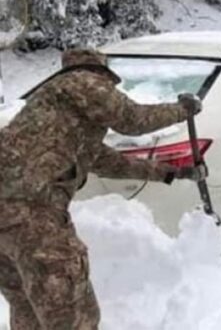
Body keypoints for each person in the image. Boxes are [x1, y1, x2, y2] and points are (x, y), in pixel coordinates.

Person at [0, 49, 206, 328]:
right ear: (100, 76)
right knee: (75, 316)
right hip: (33, 214)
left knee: (29, 309)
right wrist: (181, 111)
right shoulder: (81, 82)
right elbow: (132, 119)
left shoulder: (56, 118)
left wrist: (172, 173)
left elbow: (112, 163)